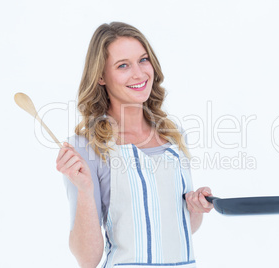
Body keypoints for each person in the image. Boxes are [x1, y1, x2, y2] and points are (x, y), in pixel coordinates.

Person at [56, 22, 213, 268]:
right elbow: (87, 260)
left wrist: (195, 206)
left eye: (143, 60)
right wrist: (85, 191)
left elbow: (184, 229)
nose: (139, 74)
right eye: (123, 65)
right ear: (100, 76)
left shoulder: (173, 136)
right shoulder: (87, 147)